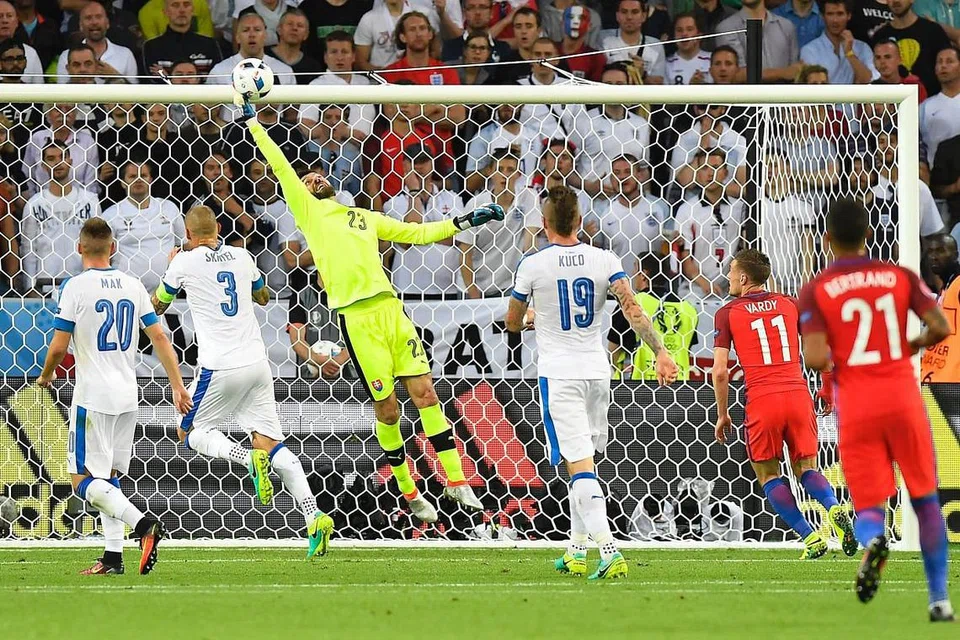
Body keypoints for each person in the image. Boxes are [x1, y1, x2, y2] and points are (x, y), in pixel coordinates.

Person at [239, 91, 502, 521]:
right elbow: (280, 164)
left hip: (391, 311)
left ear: (331, 183)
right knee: (389, 408)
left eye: (317, 177)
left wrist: (462, 222)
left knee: (426, 393)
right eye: (306, 180)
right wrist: (254, 124)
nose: (311, 179)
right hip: (357, 319)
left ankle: (457, 482)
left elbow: (413, 234)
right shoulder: (309, 215)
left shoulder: (362, 215)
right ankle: (410, 490)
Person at [505, 185, 678, 579]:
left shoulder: (532, 264)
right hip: (599, 372)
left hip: (560, 374)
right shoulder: (605, 259)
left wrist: (535, 317)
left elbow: (512, 322)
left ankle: (610, 550)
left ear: (544, 223)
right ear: (580, 222)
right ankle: (576, 550)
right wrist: (661, 352)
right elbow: (632, 308)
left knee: (579, 465)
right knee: (583, 462)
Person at [798, 198, 953, 621]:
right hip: (902, 396)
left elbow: (813, 358)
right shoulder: (897, 275)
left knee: (868, 504)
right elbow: (941, 326)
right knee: (923, 498)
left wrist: (840, 360)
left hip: (858, 402)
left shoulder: (817, 288)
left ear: (827, 239)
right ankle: (939, 600)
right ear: (869, 235)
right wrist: (907, 346)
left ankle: (871, 543)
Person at [152, 205, 335, 558]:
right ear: (218, 228)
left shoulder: (183, 262)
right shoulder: (241, 255)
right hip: (257, 364)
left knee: (188, 432)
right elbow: (263, 297)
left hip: (219, 366)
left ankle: (245, 458)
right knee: (270, 441)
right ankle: (314, 517)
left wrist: (173, 264)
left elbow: (157, 306)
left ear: (188, 235)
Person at [37, 217, 192, 575]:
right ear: (114, 248)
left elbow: (60, 346)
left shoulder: (75, 287)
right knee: (108, 478)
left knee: (83, 482)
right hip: (128, 395)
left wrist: (46, 376)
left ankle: (142, 525)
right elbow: (160, 339)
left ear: (79, 249)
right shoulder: (133, 284)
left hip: (93, 396)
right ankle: (112, 558)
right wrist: (177, 384)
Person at [712, 248, 856, 560]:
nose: (728, 277)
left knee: (768, 475)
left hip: (763, 400)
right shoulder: (790, 304)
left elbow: (720, 371)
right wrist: (828, 388)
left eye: (731, 272)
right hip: (797, 393)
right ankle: (834, 508)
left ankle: (810, 537)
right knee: (806, 469)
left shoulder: (727, 312)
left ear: (744, 278)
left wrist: (722, 414)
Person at [20, 141, 101, 296]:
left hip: (84, 287)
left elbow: (99, 245)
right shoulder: (34, 204)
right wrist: (30, 288)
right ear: (43, 165)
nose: (58, 162)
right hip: (45, 288)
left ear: (70, 161)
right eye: (51, 158)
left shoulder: (90, 201)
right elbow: (28, 249)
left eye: (62, 157)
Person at [608, 253, 698, 381]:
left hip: (637, 384)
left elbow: (613, 350)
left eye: (635, 270)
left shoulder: (632, 304)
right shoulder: (689, 310)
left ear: (643, 274)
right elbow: (686, 350)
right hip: (678, 383)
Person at [101, 159, 185, 294]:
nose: (139, 180)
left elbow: (184, 245)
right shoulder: (111, 215)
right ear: (122, 182)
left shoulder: (169, 208)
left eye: (143, 175)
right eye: (133, 176)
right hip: (125, 294)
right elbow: (102, 257)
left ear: (151, 180)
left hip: (167, 295)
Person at [872, 0, 952, 96]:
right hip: (892, 103)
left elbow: (949, 68)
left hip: (931, 103)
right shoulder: (880, 36)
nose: (896, 1)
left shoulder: (933, 30)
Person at [716, 0, 802, 83]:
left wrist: (790, 72)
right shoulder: (726, 28)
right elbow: (736, 75)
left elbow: (794, 71)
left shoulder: (786, 26)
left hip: (783, 95)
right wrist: (783, 73)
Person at [55, 1, 139, 84]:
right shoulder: (66, 56)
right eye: (88, 18)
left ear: (107, 23)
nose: (94, 22)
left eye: (99, 17)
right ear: (80, 25)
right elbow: (62, 93)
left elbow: (136, 94)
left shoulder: (126, 54)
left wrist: (115, 76)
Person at [800, 0, 876, 85]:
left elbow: (868, 81)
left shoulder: (863, 48)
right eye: (830, 14)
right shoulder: (810, 50)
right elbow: (812, 87)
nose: (835, 20)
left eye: (840, 14)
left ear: (849, 15)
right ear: (822, 16)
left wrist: (850, 53)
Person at [142, 0, 222, 79]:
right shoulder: (151, 47)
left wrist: (168, 78)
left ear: (192, 10)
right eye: (175, 5)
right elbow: (150, 82)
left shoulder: (210, 45)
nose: (182, 10)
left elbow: (218, 79)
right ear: (165, 12)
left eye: (186, 4)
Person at [921, 234, 960, 383]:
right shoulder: (947, 286)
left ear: (956, 255)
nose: (934, 256)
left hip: (952, 384)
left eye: (940, 250)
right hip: (935, 379)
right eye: (930, 251)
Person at [920, 46, 960, 168]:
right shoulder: (924, 107)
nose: (943, 66)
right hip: (938, 177)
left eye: (949, 61)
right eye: (939, 62)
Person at [267, 8, 323, 84]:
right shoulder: (263, 58)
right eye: (290, 24)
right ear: (279, 29)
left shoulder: (313, 67)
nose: (294, 28)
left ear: (306, 35)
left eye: (300, 26)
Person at [666, 12, 711, 85]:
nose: (684, 34)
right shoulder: (666, 65)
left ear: (699, 35)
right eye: (679, 30)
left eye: (689, 29)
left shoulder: (713, 61)